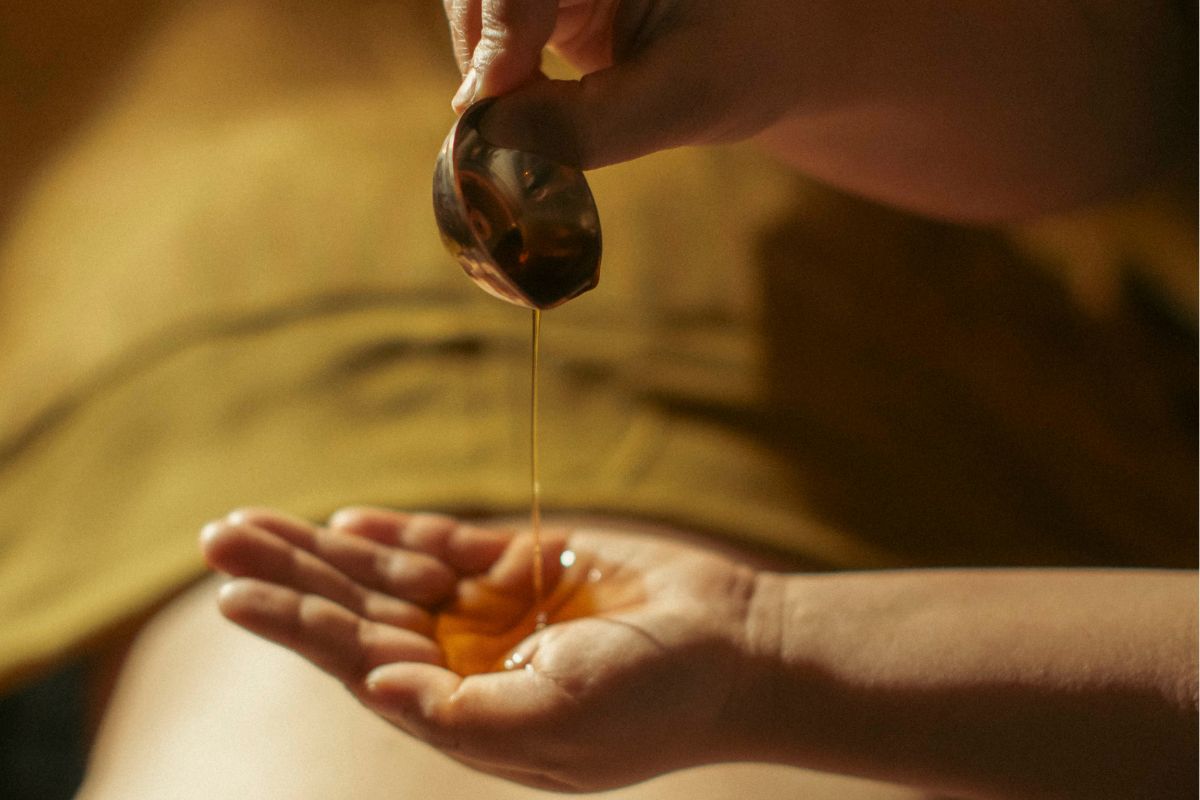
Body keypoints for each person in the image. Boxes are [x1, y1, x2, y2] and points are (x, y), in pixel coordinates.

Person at [35, 0, 1192, 798]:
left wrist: (767, 653)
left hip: (974, 344)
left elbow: (1149, 89)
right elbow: (1139, 78)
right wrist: (827, 40)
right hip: (236, 203)